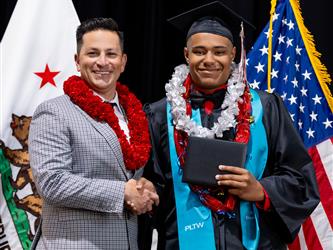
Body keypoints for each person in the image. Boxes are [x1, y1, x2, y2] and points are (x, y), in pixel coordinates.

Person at [139, 1, 320, 250]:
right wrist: (147, 190)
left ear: (233, 54)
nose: (209, 60)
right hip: (183, 240)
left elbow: (301, 179)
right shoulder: (160, 114)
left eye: (219, 51)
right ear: (186, 54)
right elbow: (152, 185)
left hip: (252, 243)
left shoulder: (266, 108)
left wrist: (261, 190)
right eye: (199, 51)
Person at [29, 17, 159, 249]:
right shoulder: (53, 112)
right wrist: (122, 192)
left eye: (111, 54)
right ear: (78, 62)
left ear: (123, 62)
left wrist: (141, 186)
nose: (102, 62)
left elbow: (122, 173)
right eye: (92, 53)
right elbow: (52, 183)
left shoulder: (134, 113)